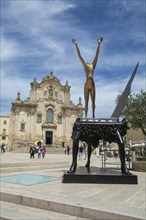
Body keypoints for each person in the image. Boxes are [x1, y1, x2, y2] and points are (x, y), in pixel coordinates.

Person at [72, 37, 103, 118]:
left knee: (93, 102)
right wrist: (76, 45)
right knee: (86, 102)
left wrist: (99, 44)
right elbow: (80, 56)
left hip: (91, 84)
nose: (87, 62)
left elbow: (97, 55)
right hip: (87, 84)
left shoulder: (92, 65)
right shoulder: (86, 65)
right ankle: (85, 116)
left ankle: (93, 115)